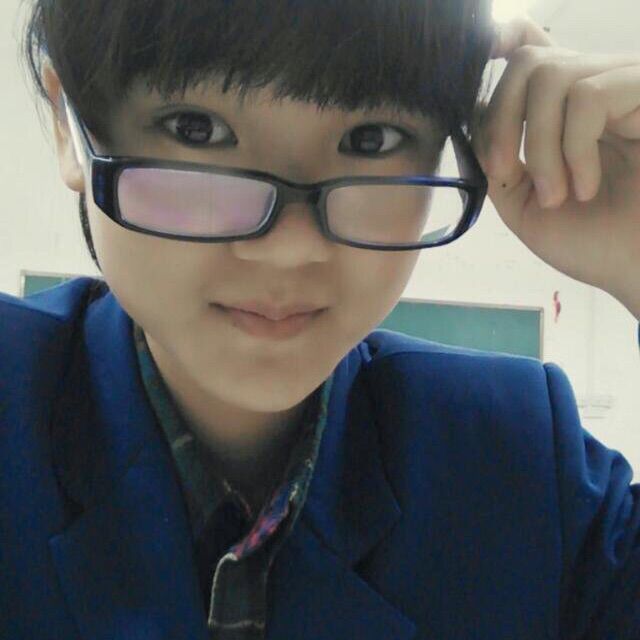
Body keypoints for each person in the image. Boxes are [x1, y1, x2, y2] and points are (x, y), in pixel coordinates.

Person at [1, 0, 639, 638]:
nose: (290, 247)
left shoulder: (518, 463)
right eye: (196, 129)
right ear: (68, 123)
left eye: (370, 140)